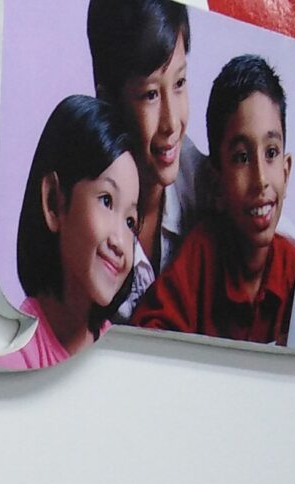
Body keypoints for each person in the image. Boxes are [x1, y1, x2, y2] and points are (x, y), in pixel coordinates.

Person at [129, 52, 295, 344]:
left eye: (271, 153)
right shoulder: (203, 254)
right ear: (216, 183)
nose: (260, 179)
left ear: (286, 171)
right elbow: (146, 334)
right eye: (241, 157)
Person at [0, 94, 139, 372]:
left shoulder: (120, 355)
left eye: (130, 222)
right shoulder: (18, 356)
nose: (120, 242)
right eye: (106, 200)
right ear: (54, 202)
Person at [84, 0, 207, 317]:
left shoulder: (203, 181)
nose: (172, 123)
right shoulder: (83, 215)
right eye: (151, 94)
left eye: (179, 83)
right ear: (107, 100)